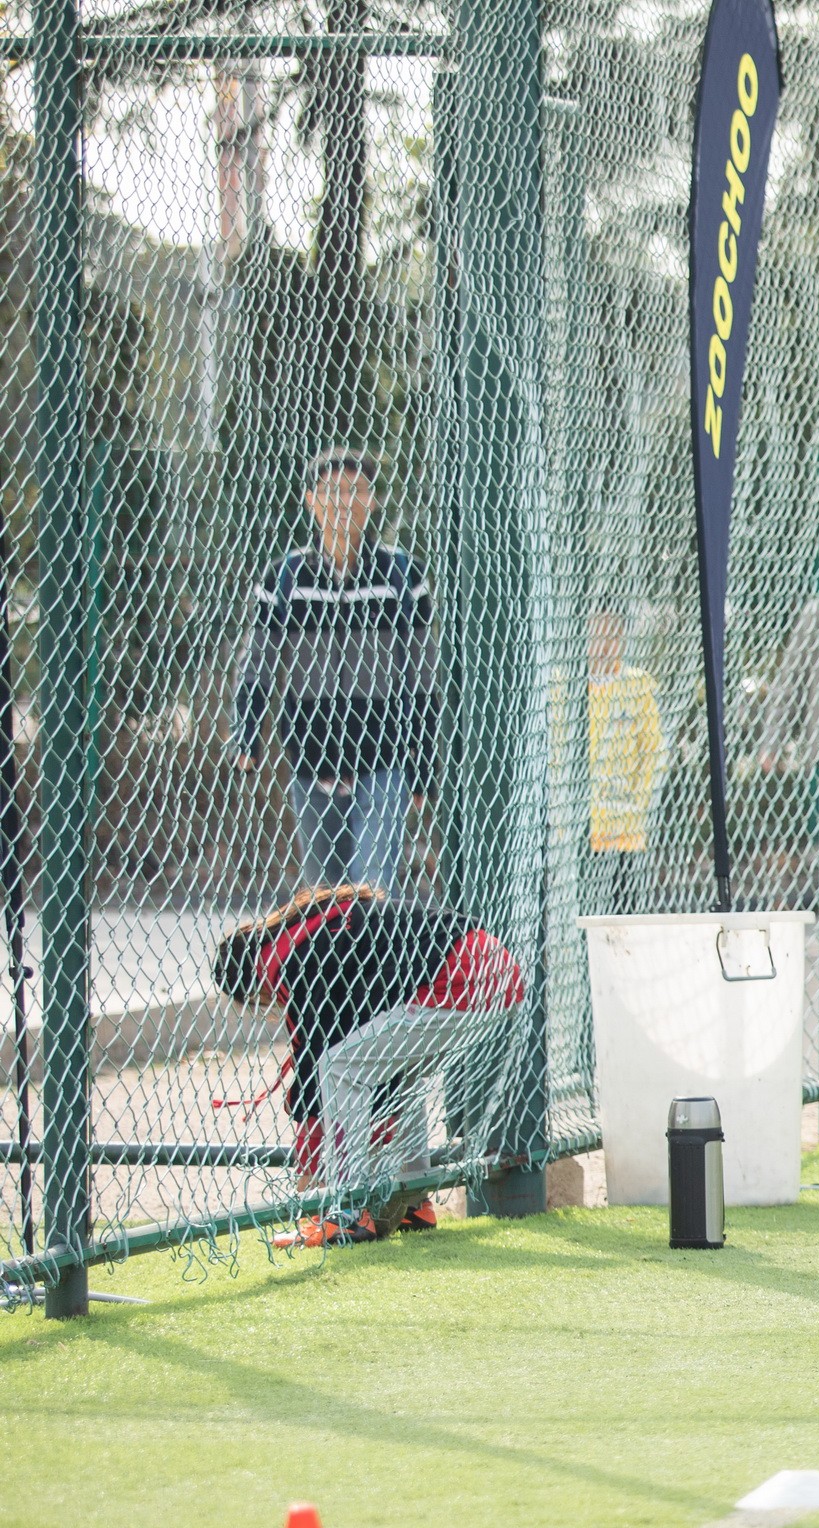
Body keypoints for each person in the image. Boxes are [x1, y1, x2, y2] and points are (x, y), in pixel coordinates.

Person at [210, 885, 526, 1246]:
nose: (270, 1006)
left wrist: (311, 1166)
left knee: (337, 1066)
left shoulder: (288, 961)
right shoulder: (315, 929)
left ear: (252, 985)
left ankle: (344, 1211)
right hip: (497, 972)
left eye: (260, 1001)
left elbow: (315, 1062)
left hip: (458, 978)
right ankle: (412, 1201)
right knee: (396, 1072)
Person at [233, 449, 436, 893]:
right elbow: (259, 662)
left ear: (372, 501)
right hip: (311, 758)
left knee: (374, 891)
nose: (343, 503)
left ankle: (379, 961)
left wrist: (423, 767)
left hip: (384, 756)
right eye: (331, 493)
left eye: (354, 492)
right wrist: (247, 736)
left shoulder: (401, 576)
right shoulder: (286, 578)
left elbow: (422, 675)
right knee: (324, 898)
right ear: (311, 501)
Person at [567, 606, 665, 918]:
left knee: (622, 913)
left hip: (623, 828)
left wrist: (636, 802)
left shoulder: (637, 686)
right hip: (579, 829)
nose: (604, 643)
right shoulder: (566, 688)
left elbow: (651, 751)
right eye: (597, 633)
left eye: (612, 633)